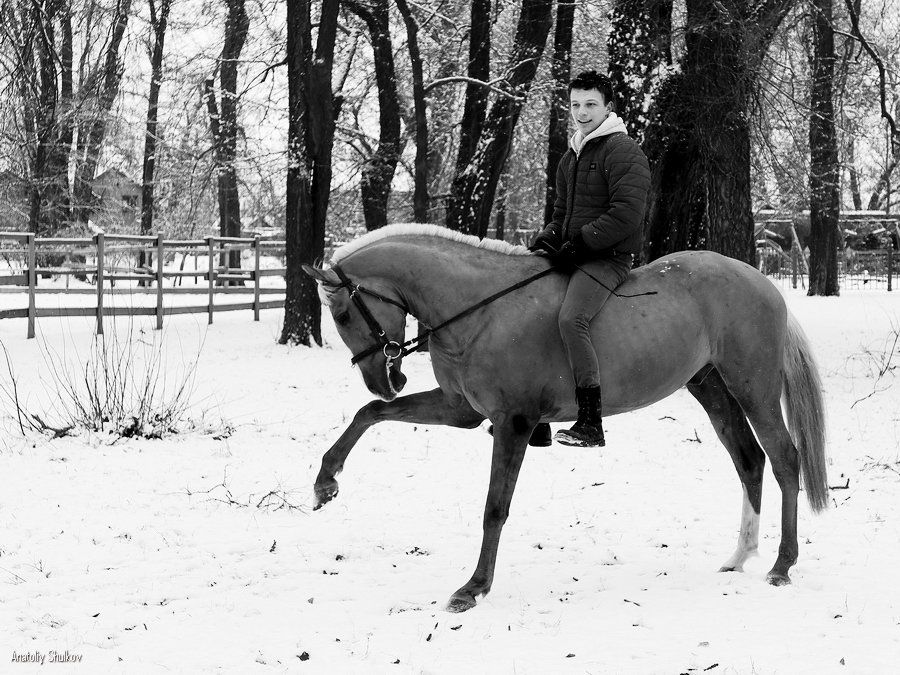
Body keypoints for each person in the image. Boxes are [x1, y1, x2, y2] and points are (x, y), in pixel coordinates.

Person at [530, 70, 651, 447]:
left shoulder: (622, 150)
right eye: (575, 105)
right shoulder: (572, 155)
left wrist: (581, 243)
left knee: (571, 318)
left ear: (607, 108)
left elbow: (627, 212)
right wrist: (548, 238)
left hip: (608, 258)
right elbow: (561, 210)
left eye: (590, 105)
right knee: (529, 305)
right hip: (575, 253)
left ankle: (590, 421)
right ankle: (539, 413)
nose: (582, 112)